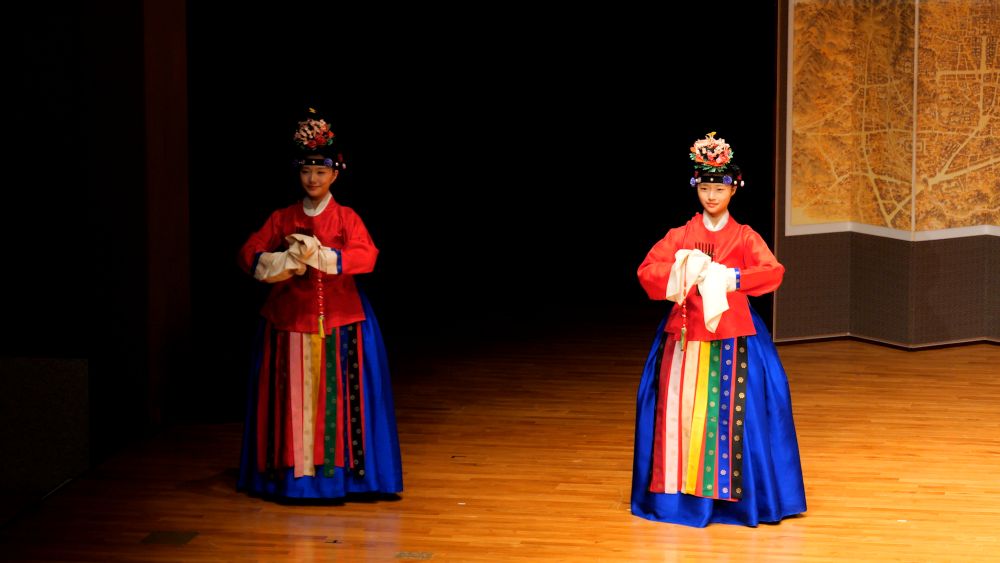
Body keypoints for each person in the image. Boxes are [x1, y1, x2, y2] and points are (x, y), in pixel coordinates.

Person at [631, 132, 806, 527]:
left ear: (734, 189)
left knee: (738, 417)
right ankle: (678, 501)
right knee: (680, 416)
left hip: (735, 337)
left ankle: (740, 502)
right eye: (705, 188)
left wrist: (734, 278)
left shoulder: (744, 236)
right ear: (696, 188)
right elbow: (647, 271)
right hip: (685, 336)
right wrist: (682, 270)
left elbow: (773, 271)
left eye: (719, 189)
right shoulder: (680, 235)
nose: (711, 196)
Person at [236, 109, 403, 500]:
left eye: (321, 172)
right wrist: (283, 262)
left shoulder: (345, 217)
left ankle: (344, 476)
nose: (313, 179)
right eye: (307, 172)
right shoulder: (283, 217)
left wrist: (325, 257)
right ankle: (290, 474)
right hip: (289, 321)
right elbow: (248, 252)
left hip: (341, 321)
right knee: (290, 400)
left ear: (334, 175)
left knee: (340, 400)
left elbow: (367, 255)